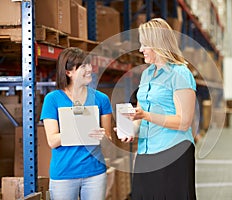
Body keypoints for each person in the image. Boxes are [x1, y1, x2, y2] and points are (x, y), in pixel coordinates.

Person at [119, 18, 197, 200]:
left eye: (145, 44)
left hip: (173, 151)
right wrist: (129, 128)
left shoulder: (180, 74)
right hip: (146, 151)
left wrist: (146, 115)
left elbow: (184, 122)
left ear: (158, 44)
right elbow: (140, 113)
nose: (140, 49)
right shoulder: (146, 74)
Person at [40, 47, 112, 200]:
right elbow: (52, 141)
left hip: (95, 172)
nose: (89, 70)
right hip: (64, 173)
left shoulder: (101, 99)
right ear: (68, 72)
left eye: (88, 65)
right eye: (82, 67)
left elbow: (108, 140)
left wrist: (102, 136)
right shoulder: (52, 99)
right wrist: (81, 130)